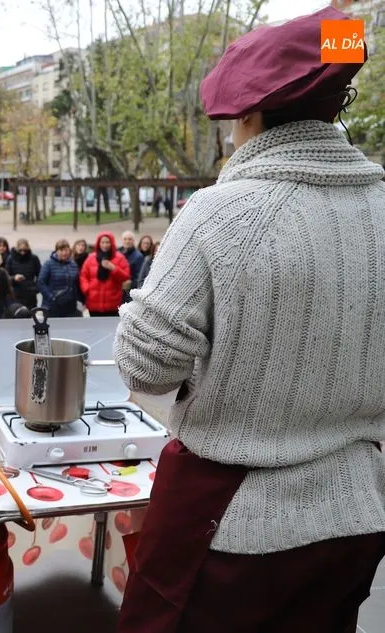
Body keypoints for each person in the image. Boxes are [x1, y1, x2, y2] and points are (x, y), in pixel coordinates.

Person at [115, 7, 385, 632]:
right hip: (355, 519)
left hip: (228, 523)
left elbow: (143, 366)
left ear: (248, 115)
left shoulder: (222, 212)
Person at [79, 232, 130, 316]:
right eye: (102, 242)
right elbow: (83, 275)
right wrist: (87, 289)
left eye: (107, 242)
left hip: (113, 303)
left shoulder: (120, 258)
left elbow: (125, 276)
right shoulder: (91, 258)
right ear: (98, 244)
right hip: (94, 302)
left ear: (112, 243)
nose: (105, 245)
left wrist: (113, 268)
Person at [38, 239, 81, 318]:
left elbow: (76, 283)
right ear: (56, 251)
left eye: (66, 250)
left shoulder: (73, 264)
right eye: (61, 250)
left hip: (70, 305)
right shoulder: (48, 264)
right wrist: (51, 297)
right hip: (52, 304)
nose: (64, 253)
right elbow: (41, 283)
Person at [6, 238, 42, 310]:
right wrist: (14, 278)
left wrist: (36, 289)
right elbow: (7, 277)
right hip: (15, 294)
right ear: (17, 249)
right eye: (20, 250)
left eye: (25, 250)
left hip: (30, 294)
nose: (23, 253)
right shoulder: (10, 258)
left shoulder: (34, 258)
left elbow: (40, 275)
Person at [119, 230, 144, 296]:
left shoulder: (138, 256)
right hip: (116, 290)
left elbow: (139, 277)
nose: (127, 241)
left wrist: (130, 284)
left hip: (129, 291)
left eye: (130, 239)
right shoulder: (117, 253)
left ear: (133, 241)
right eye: (125, 239)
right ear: (122, 240)